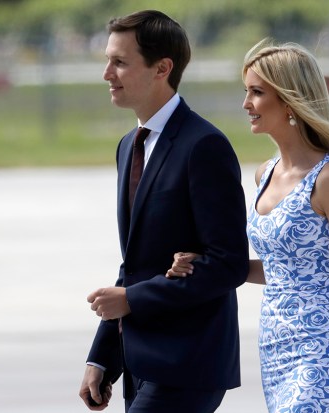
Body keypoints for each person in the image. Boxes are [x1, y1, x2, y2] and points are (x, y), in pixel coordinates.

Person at [167, 40, 329, 413]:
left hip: (326, 351)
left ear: (289, 101)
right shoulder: (264, 174)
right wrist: (205, 265)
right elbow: (283, 270)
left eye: (257, 92)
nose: (246, 103)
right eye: (246, 91)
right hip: (276, 350)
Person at [80, 10, 250, 413]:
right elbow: (136, 263)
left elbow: (229, 265)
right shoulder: (128, 145)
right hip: (141, 360)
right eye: (107, 60)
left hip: (189, 361)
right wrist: (101, 357)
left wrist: (132, 299)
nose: (107, 73)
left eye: (120, 62)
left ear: (162, 68)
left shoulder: (204, 145)